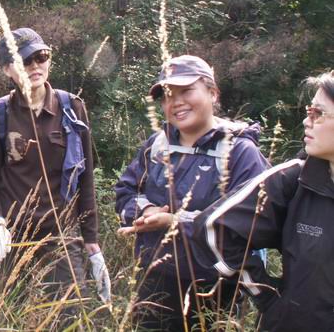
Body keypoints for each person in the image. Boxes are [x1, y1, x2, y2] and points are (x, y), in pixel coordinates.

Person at [115, 55, 268, 331]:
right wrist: (146, 210)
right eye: (167, 95)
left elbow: (247, 226)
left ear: (213, 93)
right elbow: (127, 190)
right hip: (154, 282)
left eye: (186, 91)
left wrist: (175, 222)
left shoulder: (240, 152)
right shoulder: (157, 145)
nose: (175, 102)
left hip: (214, 289)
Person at [0, 27, 111, 308]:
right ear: (7, 69)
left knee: (68, 316)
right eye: (25, 61)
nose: (35, 66)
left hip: (60, 236)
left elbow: (84, 178)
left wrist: (92, 242)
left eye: (41, 56)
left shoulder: (72, 108)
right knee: (8, 315)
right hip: (11, 238)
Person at [191, 69, 334, 332]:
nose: (306, 121)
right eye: (308, 111)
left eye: (318, 113)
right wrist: (268, 298)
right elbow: (213, 227)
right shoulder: (295, 179)